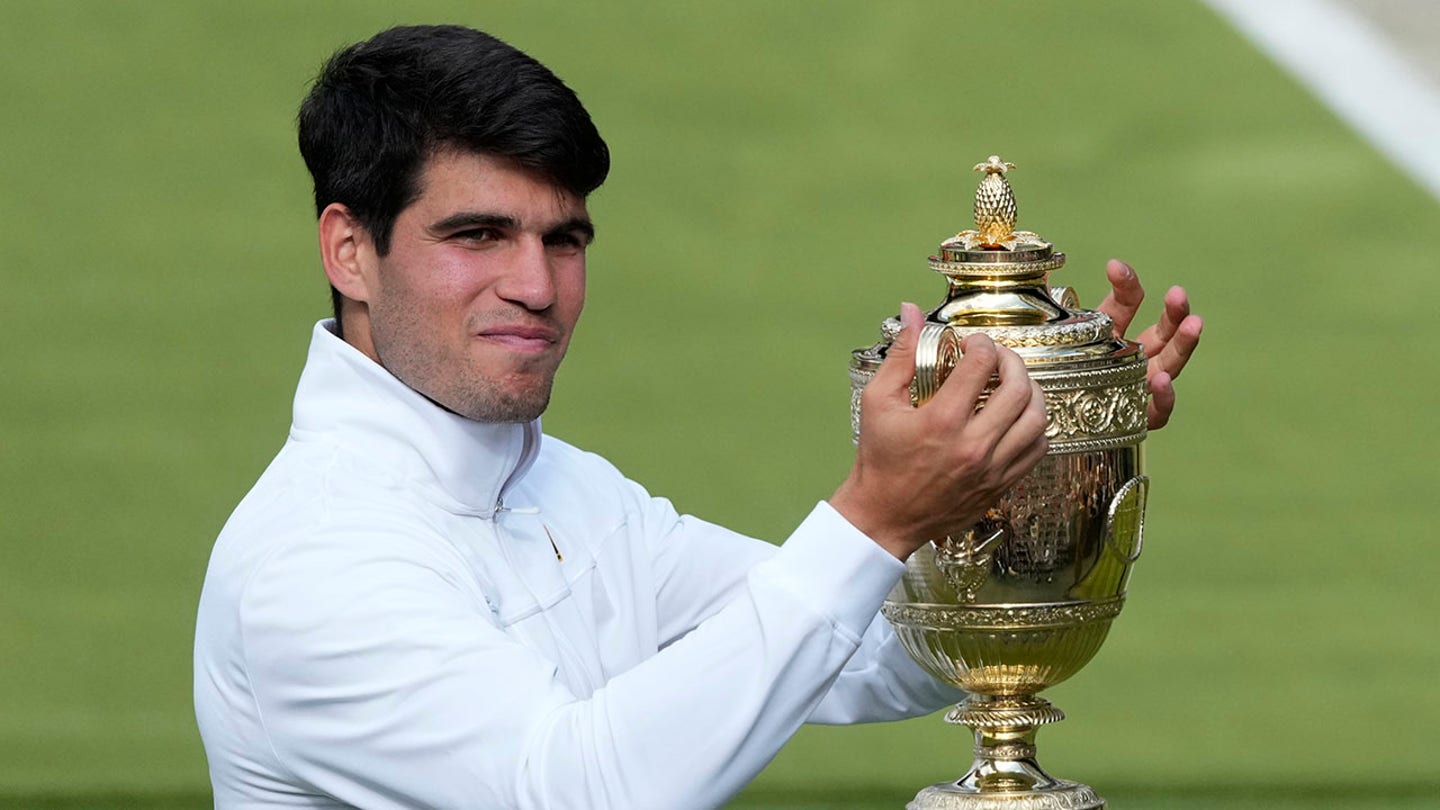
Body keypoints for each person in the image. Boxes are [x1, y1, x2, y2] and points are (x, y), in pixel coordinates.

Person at [193, 24, 1202, 810]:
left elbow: (876, 659)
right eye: (479, 235)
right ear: (349, 252)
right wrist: (878, 516)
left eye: (564, 239)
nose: (536, 286)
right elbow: (580, 793)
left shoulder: (565, 492)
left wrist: (1052, 450)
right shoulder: (311, 565)